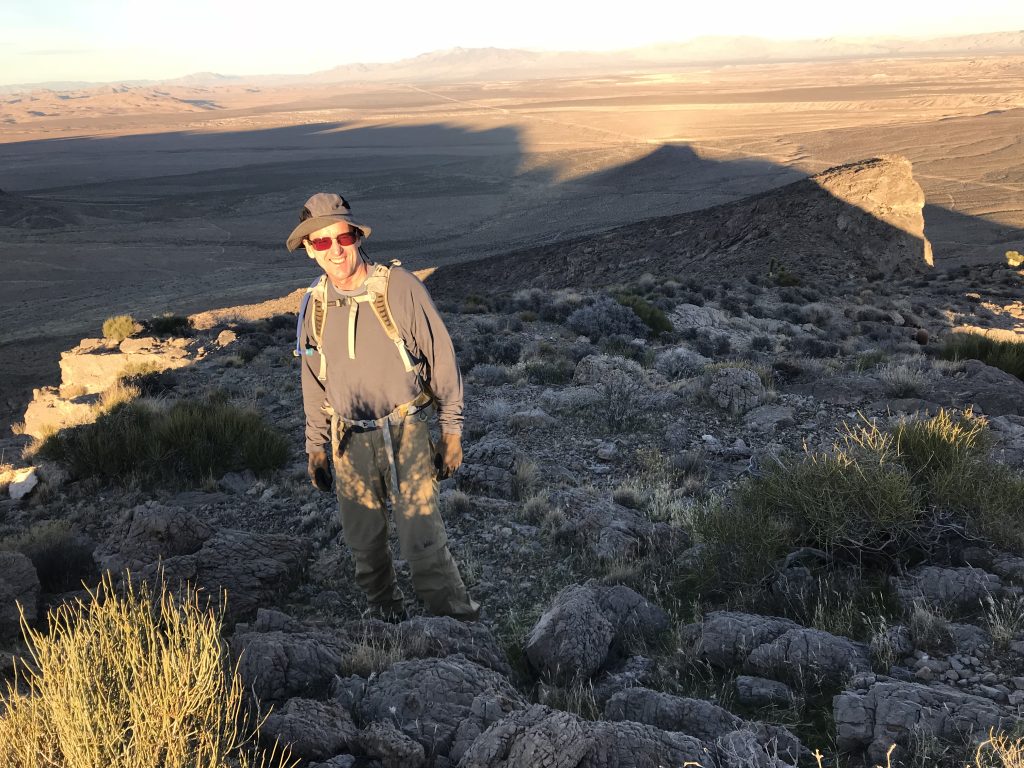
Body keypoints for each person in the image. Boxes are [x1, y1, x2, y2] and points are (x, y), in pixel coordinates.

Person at [286, 192, 479, 622]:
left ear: (356, 237)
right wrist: (316, 446)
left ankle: (459, 631)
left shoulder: (399, 288)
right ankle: (387, 623)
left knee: (423, 544)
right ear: (309, 251)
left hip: (405, 433)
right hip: (347, 440)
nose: (335, 250)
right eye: (321, 243)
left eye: (343, 237)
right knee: (364, 548)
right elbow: (315, 381)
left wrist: (451, 432)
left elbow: (442, 359)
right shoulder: (313, 305)